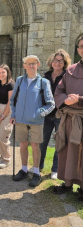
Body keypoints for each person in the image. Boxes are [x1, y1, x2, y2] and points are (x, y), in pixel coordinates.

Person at [10, 55, 55, 187]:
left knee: (35, 147)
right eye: (28, 64)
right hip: (20, 120)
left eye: (33, 64)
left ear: (38, 65)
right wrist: (14, 114)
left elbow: (51, 104)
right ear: (24, 66)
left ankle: (36, 173)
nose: (31, 66)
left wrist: (40, 113)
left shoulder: (43, 82)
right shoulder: (19, 81)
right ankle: (24, 169)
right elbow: (12, 100)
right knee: (23, 145)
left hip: (36, 121)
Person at [30, 50, 71, 179]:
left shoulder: (67, 76)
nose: (57, 63)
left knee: (59, 142)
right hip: (46, 115)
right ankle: (39, 166)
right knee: (42, 141)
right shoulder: (45, 76)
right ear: (51, 62)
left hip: (60, 114)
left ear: (64, 63)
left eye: (60, 61)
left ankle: (55, 169)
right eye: (55, 60)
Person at [53, 36, 83, 199]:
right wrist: (65, 99)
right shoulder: (70, 71)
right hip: (69, 119)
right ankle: (67, 183)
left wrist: (78, 99)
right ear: (78, 50)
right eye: (81, 46)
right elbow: (59, 91)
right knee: (67, 151)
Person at [0, 64, 14, 169]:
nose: (1, 74)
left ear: (7, 73)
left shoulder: (11, 85)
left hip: (8, 113)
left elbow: (10, 102)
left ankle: (6, 159)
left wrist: (3, 115)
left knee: (3, 136)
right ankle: (1, 156)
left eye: (3, 72)